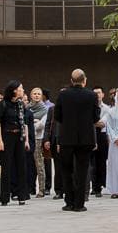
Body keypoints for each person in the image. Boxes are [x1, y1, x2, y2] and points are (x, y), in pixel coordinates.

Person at [53, 69, 100, 212]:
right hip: (86, 138)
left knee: (66, 170)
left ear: (71, 80)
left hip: (66, 138)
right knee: (82, 170)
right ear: (84, 80)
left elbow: (58, 116)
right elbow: (96, 117)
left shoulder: (63, 95)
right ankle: (79, 204)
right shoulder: (92, 95)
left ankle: (69, 202)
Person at [0, 80, 30, 206]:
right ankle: (4, 197)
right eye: (21, 88)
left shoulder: (20, 104)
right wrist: (0, 140)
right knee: (6, 167)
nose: (23, 90)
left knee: (21, 166)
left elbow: (24, 122)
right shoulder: (4, 104)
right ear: (14, 90)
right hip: (7, 136)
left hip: (19, 137)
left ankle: (21, 196)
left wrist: (26, 140)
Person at [28, 87, 50, 197]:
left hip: (38, 139)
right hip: (27, 139)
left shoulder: (45, 109)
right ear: (31, 95)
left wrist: (32, 123)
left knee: (39, 164)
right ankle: (28, 188)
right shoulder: (27, 108)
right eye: (34, 94)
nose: (36, 95)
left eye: (39, 94)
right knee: (28, 164)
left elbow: (41, 125)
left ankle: (42, 189)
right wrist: (34, 122)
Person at [91, 86, 110, 197]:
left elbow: (102, 123)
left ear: (103, 94)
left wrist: (92, 122)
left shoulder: (107, 109)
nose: (97, 95)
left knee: (101, 162)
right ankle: (93, 186)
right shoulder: (89, 107)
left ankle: (99, 186)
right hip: (90, 135)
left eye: (99, 93)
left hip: (102, 136)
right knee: (91, 162)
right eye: (95, 93)